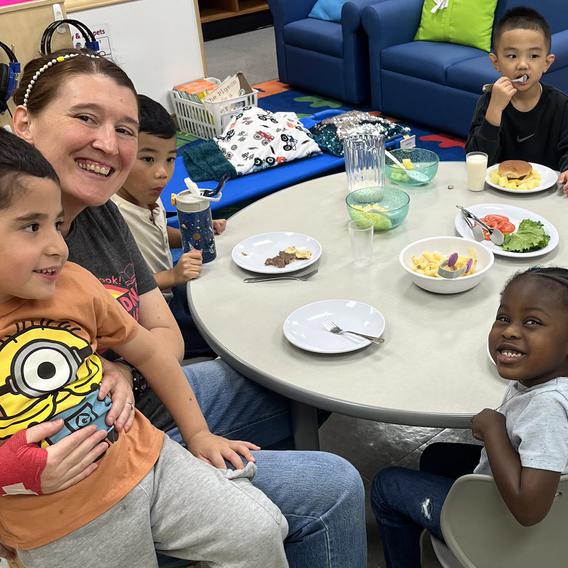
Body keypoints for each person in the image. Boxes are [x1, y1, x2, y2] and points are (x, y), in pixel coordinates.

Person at [8, 49, 366, 567]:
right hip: (87, 470)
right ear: (24, 122)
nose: (108, 144)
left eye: (125, 129)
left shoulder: (100, 214)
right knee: (332, 486)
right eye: (85, 118)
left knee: (303, 379)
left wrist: (125, 370)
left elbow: (160, 332)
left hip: (151, 413)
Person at [0, 130, 288, 566]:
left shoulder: (74, 282)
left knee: (258, 532)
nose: (58, 246)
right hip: (63, 523)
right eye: (31, 226)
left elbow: (150, 349)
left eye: (57, 224)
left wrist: (198, 434)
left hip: (147, 457)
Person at [370, 266, 568, 567]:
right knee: (436, 457)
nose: (510, 331)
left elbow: (529, 509)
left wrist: (494, 430)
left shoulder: (549, 409)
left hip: (514, 530)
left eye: (532, 322)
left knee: (387, 485)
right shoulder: (567, 377)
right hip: (555, 499)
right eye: (504, 318)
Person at [110, 94, 224, 358]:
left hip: (171, 292)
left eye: (170, 159)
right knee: (220, 338)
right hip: (151, 317)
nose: (162, 172)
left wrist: (198, 231)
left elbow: (160, 235)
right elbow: (119, 291)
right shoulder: (115, 215)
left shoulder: (148, 194)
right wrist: (171, 277)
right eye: (148, 159)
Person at [464, 7, 568, 197]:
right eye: (512, 56)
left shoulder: (559, 104)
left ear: (547, 63)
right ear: (495, 62)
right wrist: (495, 109)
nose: (523, 64)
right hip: (497, 196)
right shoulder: (488, 102)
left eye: (533, 56)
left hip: (548, 195)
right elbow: (476, 160)